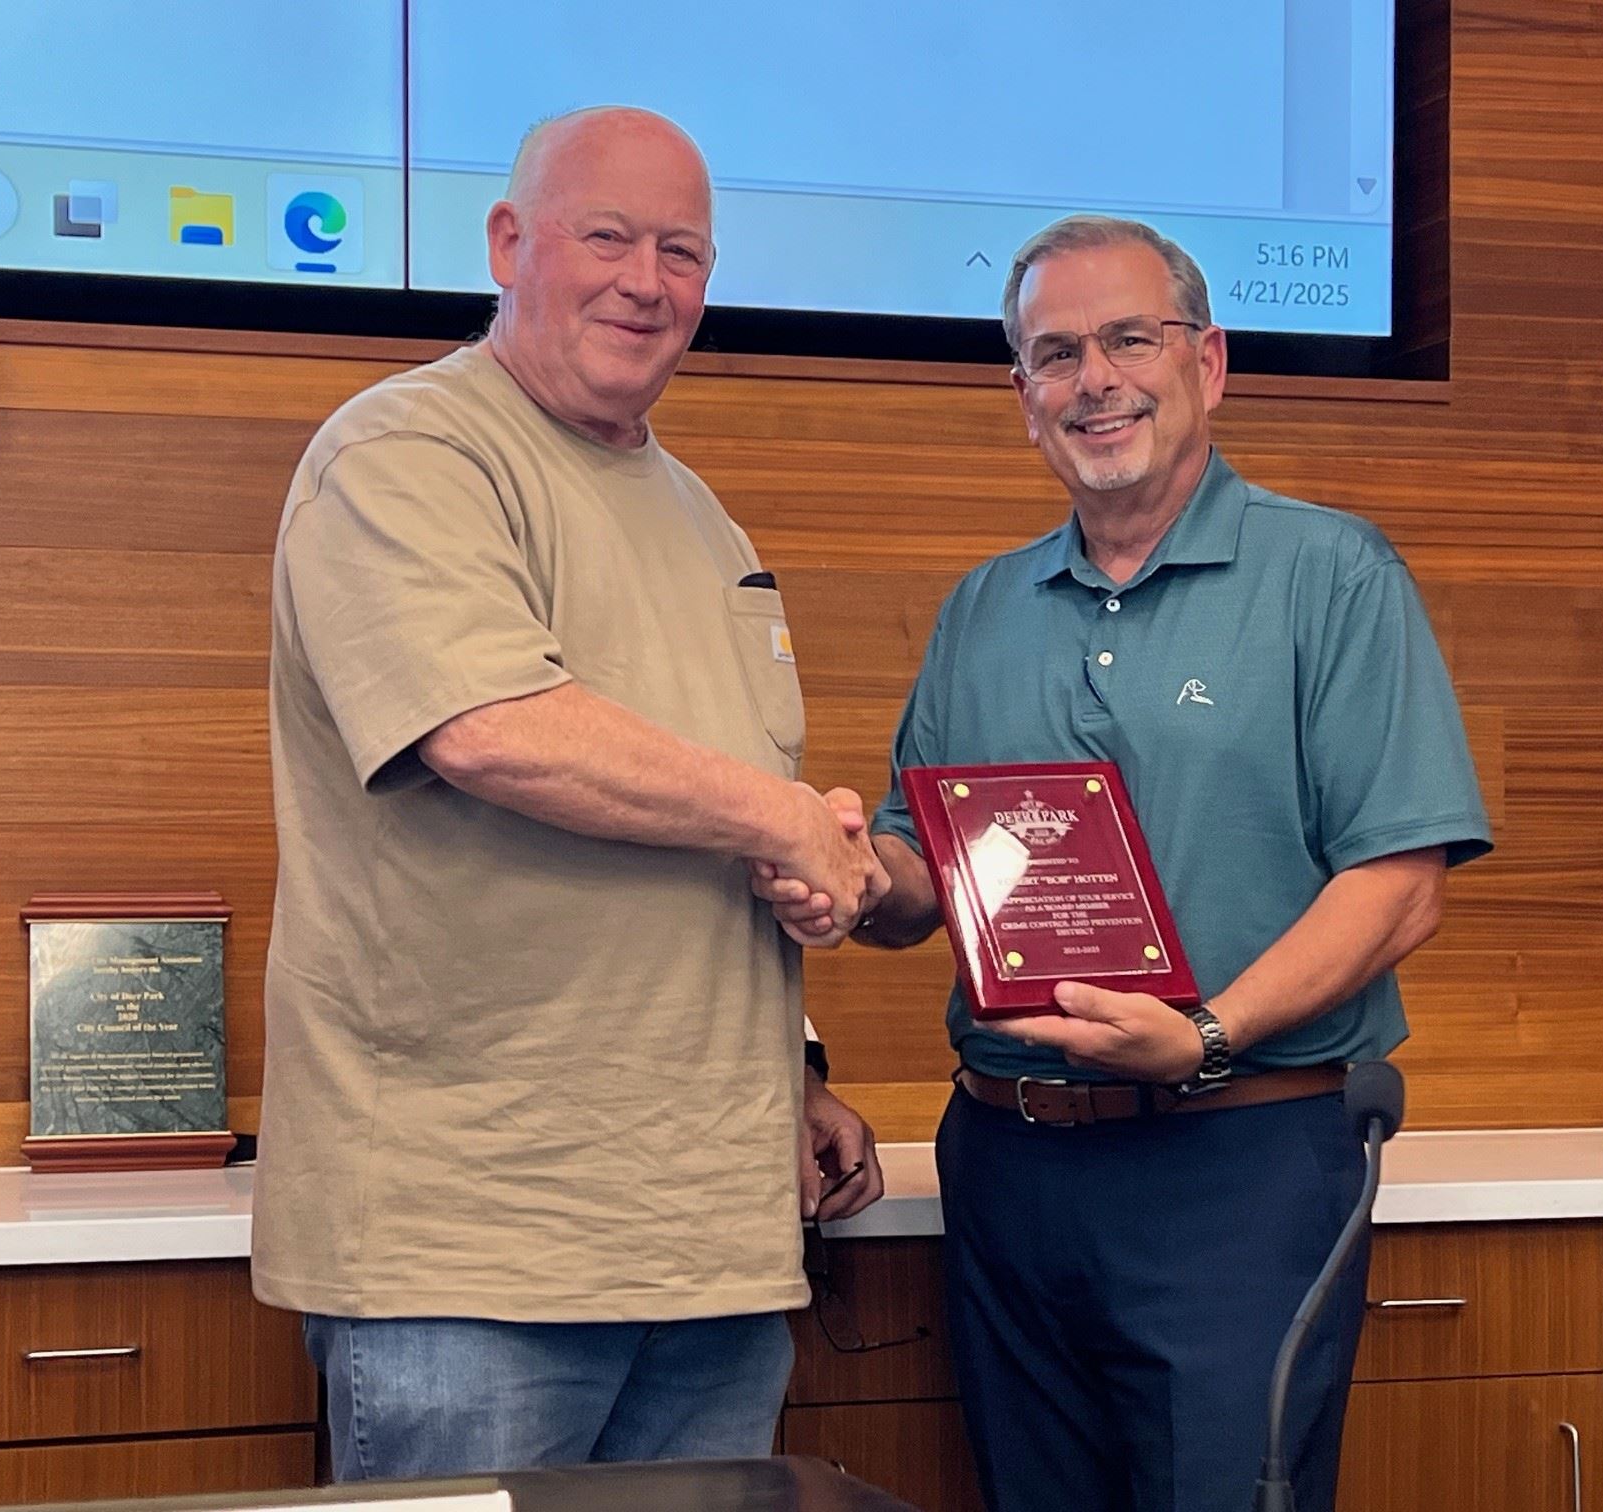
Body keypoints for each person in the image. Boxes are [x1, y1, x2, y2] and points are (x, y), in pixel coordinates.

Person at [758, 215, 1492, 1512]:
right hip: (1010, 1165)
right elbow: (928, 868)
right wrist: (854, 877)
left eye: (1127, 340)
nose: (1093, 379)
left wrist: (1207, 1033)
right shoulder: (982, 607)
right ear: (1022, 396)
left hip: (1239, 1159)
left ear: (1207, 363)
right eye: (1054, 353)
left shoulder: (1332, 576)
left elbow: (1399, 885)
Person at [252, 106, 888, 1480]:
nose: (645, 282)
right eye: (606, 236)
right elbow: (488, 729)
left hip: (711, 1249)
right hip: (474, 1255)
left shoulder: (702, 517)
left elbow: (700, 814)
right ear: (507, 243)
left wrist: (792, 1068)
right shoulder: (409, 455)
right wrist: (785, 820)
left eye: (683, 252)